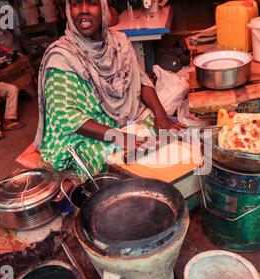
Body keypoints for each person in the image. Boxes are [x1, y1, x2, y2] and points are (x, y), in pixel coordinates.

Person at [35, 0, 185, 178]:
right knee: (111, 159)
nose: (83, 10)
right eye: (76, 4)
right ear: (68, 10)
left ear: (104, 9)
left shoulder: (119, 43)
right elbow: (66, 117)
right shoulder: (62, 57)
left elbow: (140, 79)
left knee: (166, 138)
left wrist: (161, 116)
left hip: (124, 118)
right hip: (84, 130)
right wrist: (120, 137)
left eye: (91, 3)